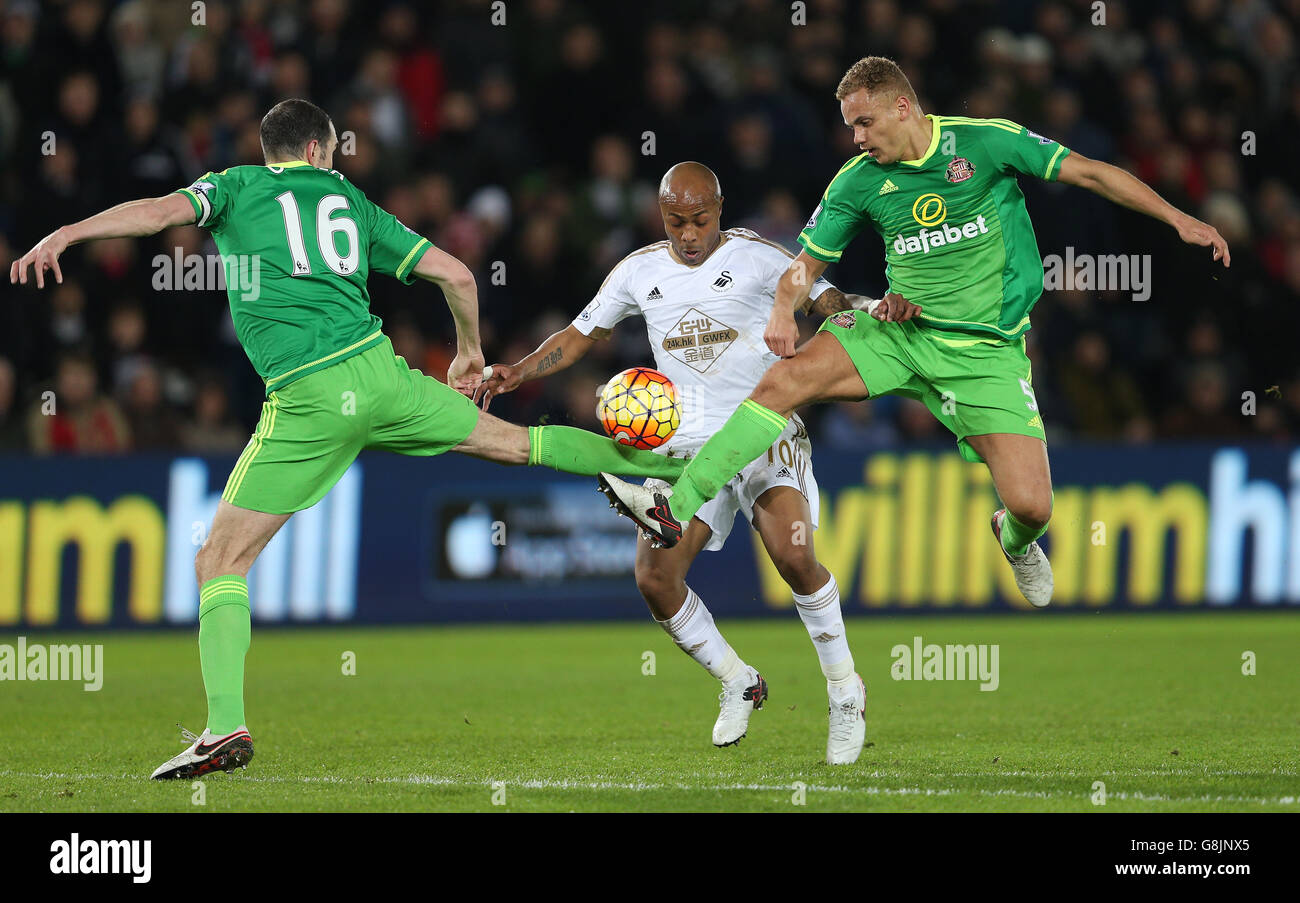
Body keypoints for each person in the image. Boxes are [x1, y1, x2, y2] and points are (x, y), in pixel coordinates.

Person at [9, 99, 686, 780]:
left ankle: (224, 727)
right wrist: (466, 355)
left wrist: (67, 232)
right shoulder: (351, 201)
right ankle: (657, 477)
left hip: (308, 395)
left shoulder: (236, 186)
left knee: (219, 560)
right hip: (383, 376)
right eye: (331, 150)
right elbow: (457, 273)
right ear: (312, 152)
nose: (333, 162)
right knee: (517, 443)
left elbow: (156, 212)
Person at [599, 57, 1230, 610]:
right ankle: (674, 507)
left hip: (985, 353)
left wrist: (1178, 219)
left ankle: (1012, 540)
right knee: (780, 383)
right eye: (850, 125)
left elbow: (1089, 173)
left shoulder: (985, 144)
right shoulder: (857, 182)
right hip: (898, 334)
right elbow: (804, 265)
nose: (856, 137)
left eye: (865, 122)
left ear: (903, 107)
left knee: (1034, 506)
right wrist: (782, 310)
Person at [478, 162, 882, 763]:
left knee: (795, 556)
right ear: (659, 215)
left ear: (720, 208)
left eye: (699, 220)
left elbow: (825, 297)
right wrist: (519, 369)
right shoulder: (639, 271)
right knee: (655, 579)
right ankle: (736, 679)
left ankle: (845, 690)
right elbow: (582, 334)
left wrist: (856, 309)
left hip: (763, 432)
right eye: (675, 222)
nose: (688, 234)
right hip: (686, 449)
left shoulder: (758, 257)